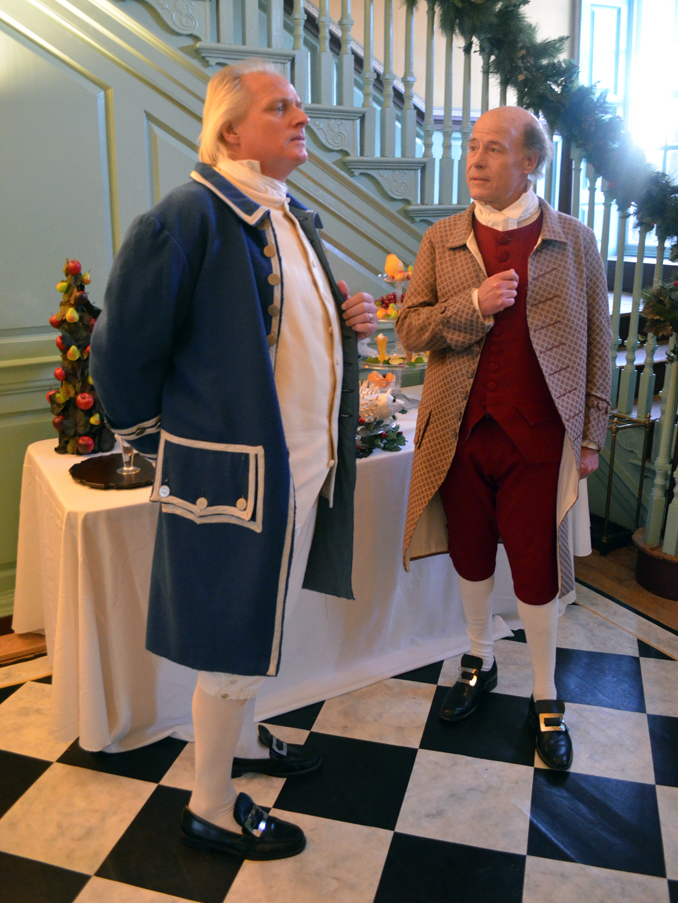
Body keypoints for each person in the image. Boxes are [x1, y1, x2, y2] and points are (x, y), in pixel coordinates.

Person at [90, 59, 377, 859]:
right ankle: (210, 805)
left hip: (299, 466)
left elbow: (275, 330)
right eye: (280, 106)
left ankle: (242, 740)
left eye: (298, 105)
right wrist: (170, 450)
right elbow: (119, 356)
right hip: (238, 478)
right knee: (230, 633)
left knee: (257, 620)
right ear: (230, 131)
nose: (301, 117)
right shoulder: (187, 218)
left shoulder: (287, 214)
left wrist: (342, 316)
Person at [396, 106, 610, 770]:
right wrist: (473, 307)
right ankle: (478, 658)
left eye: (493, 149)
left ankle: (546, 693)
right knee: (469, 554)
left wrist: (593, 435)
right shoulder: (442, 238)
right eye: (471, 147)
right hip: (458, 434)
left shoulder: (575, 241)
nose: (476, 160)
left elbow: (599, 342)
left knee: (537, 568)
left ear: (530, 162)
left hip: (540, 440)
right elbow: (410, 330)